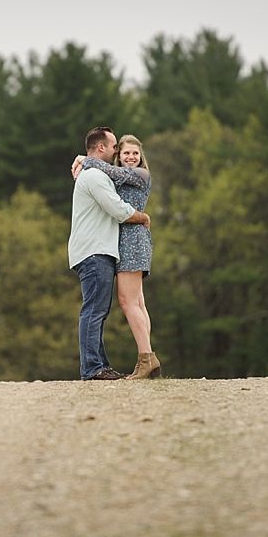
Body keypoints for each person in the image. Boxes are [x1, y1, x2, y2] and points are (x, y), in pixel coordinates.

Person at [72, 134, 161, 380]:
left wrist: (85, 159)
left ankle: (146, 357)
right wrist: (87, 159)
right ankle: (146, 357)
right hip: (122, 242)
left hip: (132, 240)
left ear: (141, 157)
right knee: (137, 303)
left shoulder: (139, 175)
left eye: (135, 153)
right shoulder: (110, 177)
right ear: (118, 156)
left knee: (129, 301)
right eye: (125, 153)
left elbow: (114, 174)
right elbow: (111, 175)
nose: (131, 157)